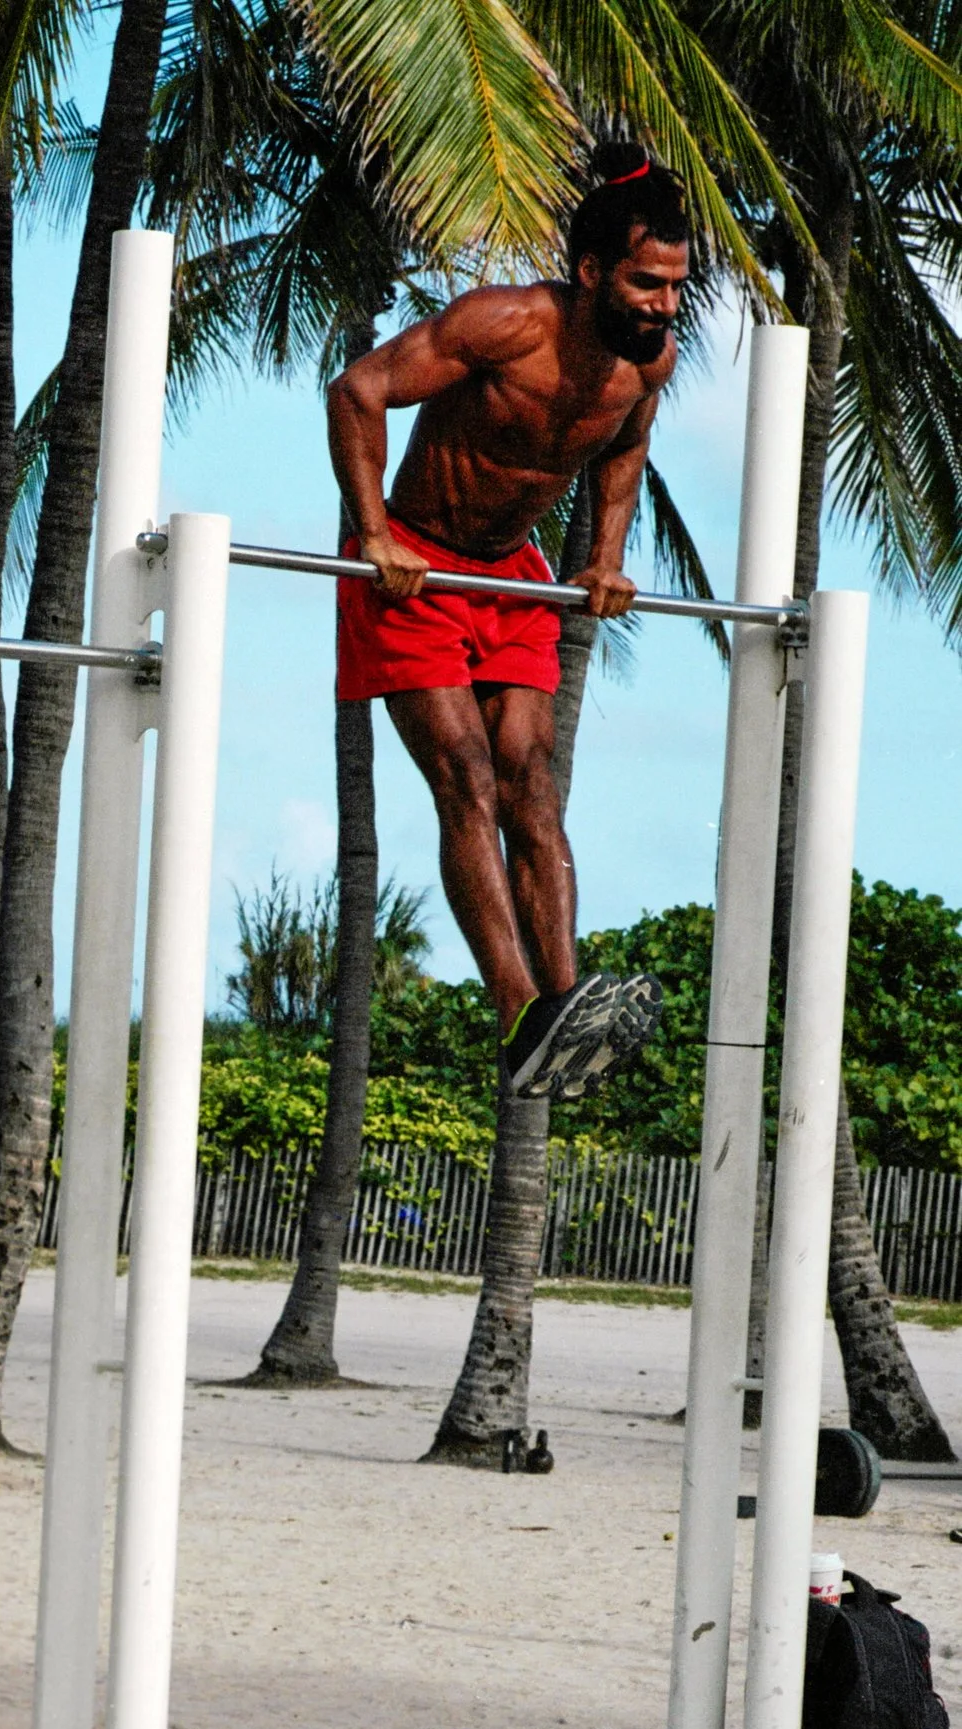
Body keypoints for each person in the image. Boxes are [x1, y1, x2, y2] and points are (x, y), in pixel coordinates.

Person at [327, 139, 682, 1102]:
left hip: (513, 580)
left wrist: (604, 558)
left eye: (676, 287)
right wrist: (371, 534)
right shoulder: (506, 325)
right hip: (416, 566)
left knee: (533, 781)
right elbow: (358, 389)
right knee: (468, 779)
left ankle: (570, 1010)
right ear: (590, 273)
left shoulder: (645, 368)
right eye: (647, 284)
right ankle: (522, 1011)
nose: (663, 305)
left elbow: (622, 454)